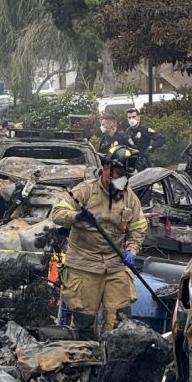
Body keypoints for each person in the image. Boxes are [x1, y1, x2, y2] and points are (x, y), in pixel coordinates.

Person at [51, 143, 148, 339]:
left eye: (126, 175)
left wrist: (132, 250)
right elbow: (57, 213)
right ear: (106, 168)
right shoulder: (85, 191)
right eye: (120, 173)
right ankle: (87, 363)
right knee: (84, 324)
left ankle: (112, 362)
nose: (123, 179)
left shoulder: (130, 198)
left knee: (121, 323)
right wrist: (78, 217)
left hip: (115, 265)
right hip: (84, 265)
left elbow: (138, 229)